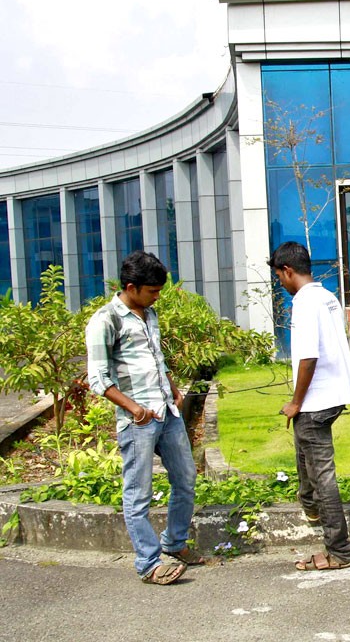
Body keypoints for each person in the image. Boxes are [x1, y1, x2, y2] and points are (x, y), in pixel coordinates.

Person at [86, 250, 205, 585]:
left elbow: (156, 357)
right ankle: (149, 564)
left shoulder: (149, 314)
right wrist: (133, 408)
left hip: (167, 412)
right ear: (130, 286)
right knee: (138, 492)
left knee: (186, 478)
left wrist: (173, 387)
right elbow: (97, 378)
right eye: (152, 291)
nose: (157, 297)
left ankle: (175, 543)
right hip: (137, 420)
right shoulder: (105, 320)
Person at [268, 241, 350, 570]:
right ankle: (309, 506)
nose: (280, 283)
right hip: (334, 395)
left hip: (315, 401)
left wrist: (295, 402)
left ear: (288, 271)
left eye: (279, 277)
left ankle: (339, 551)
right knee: (305, 462)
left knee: (323, 477)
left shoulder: (305, 303)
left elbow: (309, 356)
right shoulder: (327, 296)